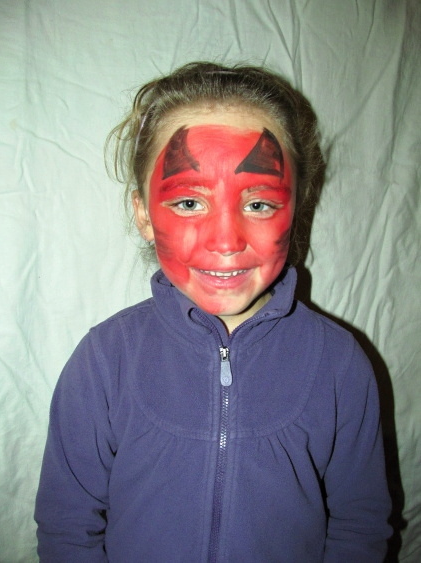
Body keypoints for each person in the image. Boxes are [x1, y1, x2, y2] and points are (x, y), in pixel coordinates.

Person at [35, 62, 392, 562]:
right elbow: (67, 528)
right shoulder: (104, 361)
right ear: (143, 213)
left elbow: (360, 524)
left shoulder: (339, 364)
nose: (226, 241)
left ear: (296, 209)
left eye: (259, 205)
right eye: (188, 203)